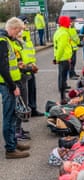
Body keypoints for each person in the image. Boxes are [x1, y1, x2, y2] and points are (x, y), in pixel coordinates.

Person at [0, 17, 30, 159]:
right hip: (7, 85)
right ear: (12, 28)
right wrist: (13, 87)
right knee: (9, 116)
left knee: (12, 115)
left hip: (10, 83)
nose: (18, 34)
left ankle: (13, 142)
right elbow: (3, 67)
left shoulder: (7, 40)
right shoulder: (3, 41)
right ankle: (10, 149)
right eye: (17, 31)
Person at [18, 15, 44, 118]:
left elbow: (29, 51)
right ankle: (24, 111)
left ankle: (33, 109)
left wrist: (32, 63)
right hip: (24, 67)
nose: (26, 25)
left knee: (32, 89)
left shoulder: (27, 34)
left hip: (30, 66)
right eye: (24, 23)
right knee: (24, 92)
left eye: (26, 23)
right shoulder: (18, 35)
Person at [53, 16, 72, 104]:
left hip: (61, 58)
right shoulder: (64, 33)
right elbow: (61, 47)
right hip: (64, 58)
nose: (70, 23)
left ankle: (62, 96)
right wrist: (57, 58)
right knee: (63, 78)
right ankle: (63, 98)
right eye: (69, 22)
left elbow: (56, 47)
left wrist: (56, 57)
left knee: (61, 77)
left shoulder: (58, 31)